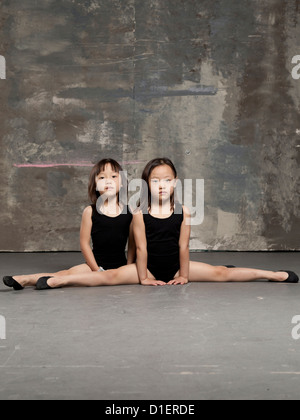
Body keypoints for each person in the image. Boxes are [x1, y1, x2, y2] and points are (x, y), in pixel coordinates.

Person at [34, 157, 298, 289]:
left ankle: (272, 274)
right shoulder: (139, 213)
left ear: (175, 182)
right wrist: (144, 276)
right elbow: (140, 249)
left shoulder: (184, 212)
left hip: (173, 266)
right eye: (155, 181)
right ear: (148, 184)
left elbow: (183, 247)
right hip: (146, 267)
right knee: (107, 276)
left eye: (167, 180)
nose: (162, 186)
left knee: (222, 273)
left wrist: (183, 275)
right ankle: (58, 282)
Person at [2, 158, 136, 290]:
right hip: (94, 264)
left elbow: (132, 245)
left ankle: (51, 282)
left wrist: (128, 267)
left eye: (113, 176)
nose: (108, 181)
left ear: (122, 182)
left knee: (74, 279)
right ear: (95, 184)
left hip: (120, 265)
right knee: (65, 273)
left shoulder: (130, 212)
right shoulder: (90, 211)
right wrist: (96, 269)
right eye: (102, 178)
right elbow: (84, 244)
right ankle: (24, 279)